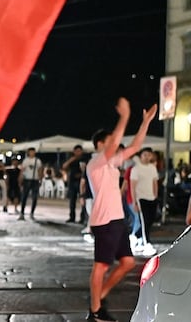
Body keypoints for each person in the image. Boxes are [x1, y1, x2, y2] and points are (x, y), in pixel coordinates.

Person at [85, 97, 156, 322]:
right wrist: (124, 117)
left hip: (117, 219)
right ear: (100, 145)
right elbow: (116, 144)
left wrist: (145, 122)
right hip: (104, 220)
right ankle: (96, 310)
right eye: (109, 142)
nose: (113, 145)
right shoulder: (96, 162)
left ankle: (99, 297)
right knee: (101, 265)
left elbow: (134, 147)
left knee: (127, 263)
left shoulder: (111, 162)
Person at [129, 147, 159, 254]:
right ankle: (147, 244)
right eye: (145, 155)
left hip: (152, 197)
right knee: (145, 221)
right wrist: (134, 202)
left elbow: (155, 182)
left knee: (151, 220)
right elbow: (132, 186)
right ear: (140, 156)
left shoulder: (152, 168)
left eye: (149, 155)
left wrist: (155, 195)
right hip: (141, 198)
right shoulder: (136, 169)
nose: (147, 157)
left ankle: (135, 236)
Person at [63, 145, 87, 223]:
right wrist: (71, 160)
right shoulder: (71, 159)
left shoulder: (85, 159)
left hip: (81, 182)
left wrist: (81, 174)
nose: (78, 152)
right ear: (74, 152)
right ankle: (72, 217)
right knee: (72, 201)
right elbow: (64, 167)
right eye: (76, 151)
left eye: (79, 151)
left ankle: (82, 218)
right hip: (72, 182)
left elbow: (87, 170)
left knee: (82, 200)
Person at [19, 147, 43, 220]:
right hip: (27, 179)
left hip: (35, 180)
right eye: (30, 152)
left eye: (33, 152)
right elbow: (22, 171)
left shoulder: (37, 161)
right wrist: (20, 179)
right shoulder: (25, 161)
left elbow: (40, 170)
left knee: (34, 197)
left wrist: (40, 179)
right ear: (28, 152)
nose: (32, 153)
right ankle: (22, 213)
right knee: (24, 197)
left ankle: (32, 213)